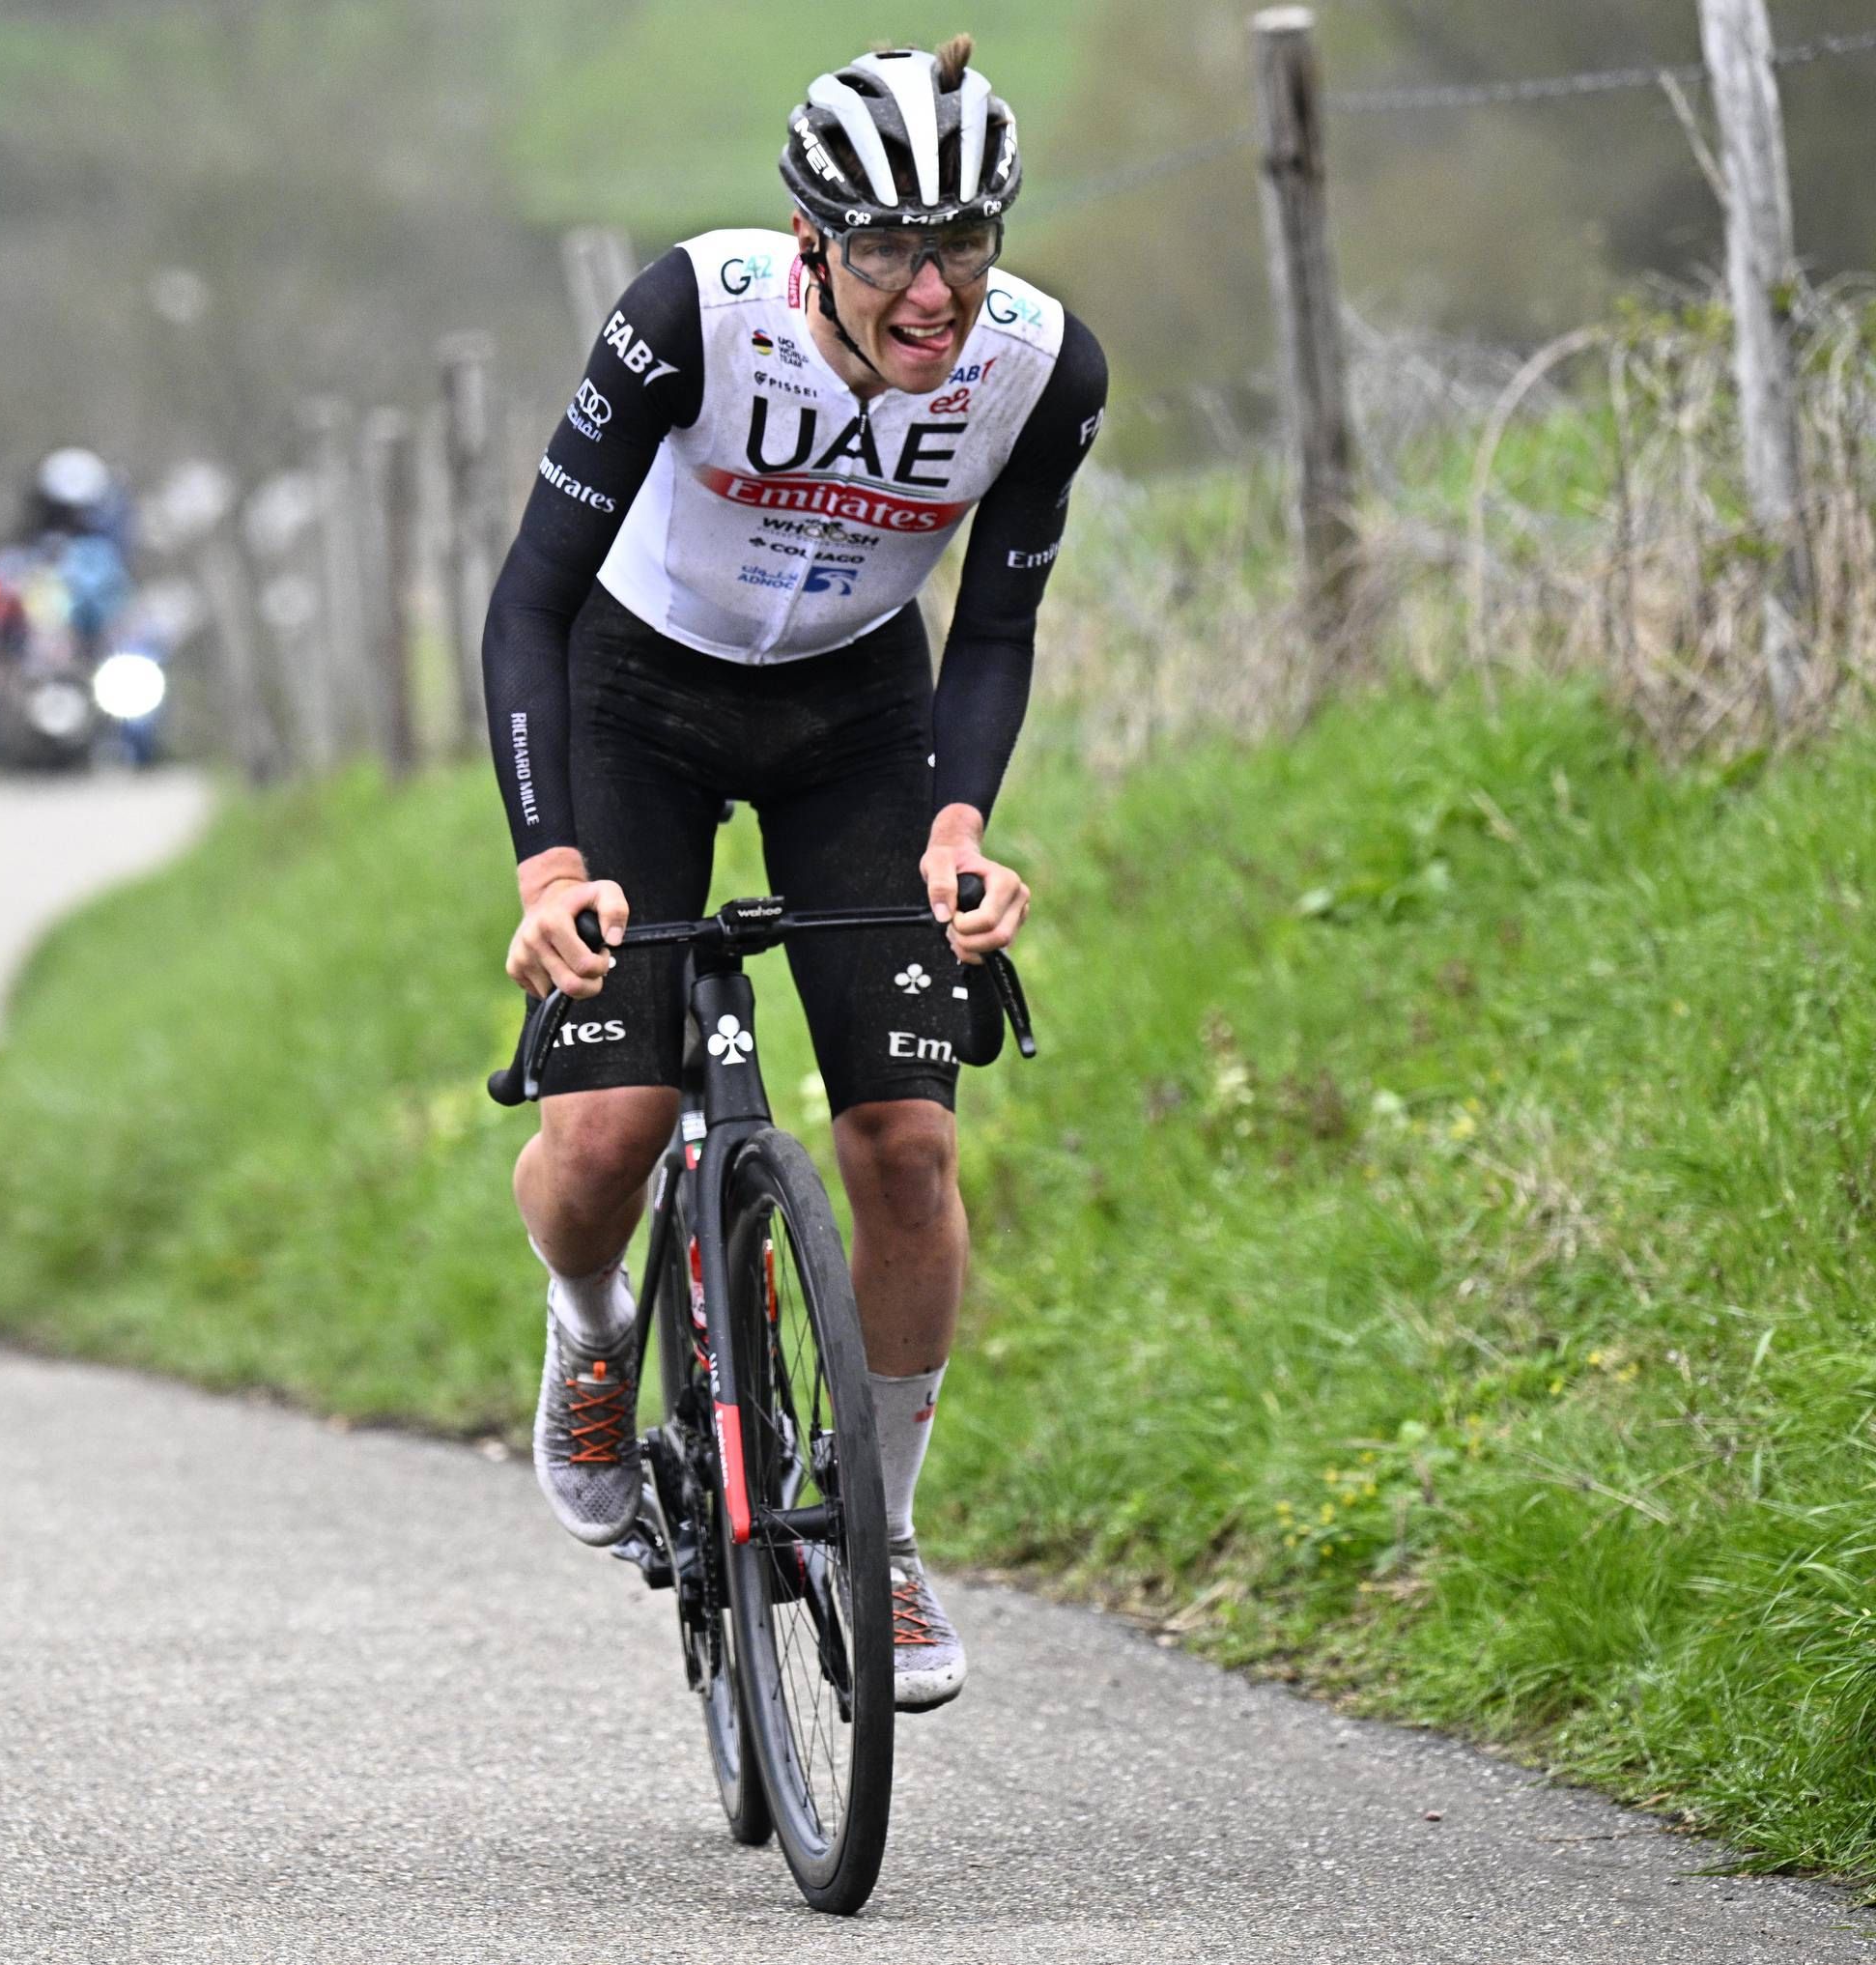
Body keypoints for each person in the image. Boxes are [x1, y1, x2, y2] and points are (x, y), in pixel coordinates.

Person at [481, 38, 1105, 1716]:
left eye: (964, 241)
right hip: (634, 692)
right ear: (809, 235)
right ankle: (589, 1323)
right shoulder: (692, 311)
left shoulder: (1038, 369)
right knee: (607, 1128)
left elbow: (992, 621)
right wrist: (548, 864)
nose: (933, 291)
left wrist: (959, 826)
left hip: (853, 711)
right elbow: (529, 598)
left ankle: (880, 1535)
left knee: (904, 1146)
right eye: (890, 247)